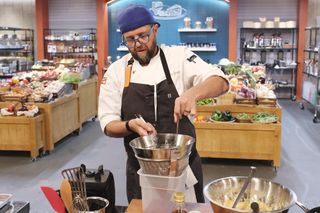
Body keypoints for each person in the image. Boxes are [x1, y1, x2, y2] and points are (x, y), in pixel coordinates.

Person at [98, 4, 229, 203]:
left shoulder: (179, 57)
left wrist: (193, 93)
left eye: (143, 35)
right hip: (141, 172)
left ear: (155, 29)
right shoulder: (116, 71)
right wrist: (128, 125)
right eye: (130, 39)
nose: (138, 44)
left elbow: (220, 81)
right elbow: (108, 124)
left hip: (184, 168)